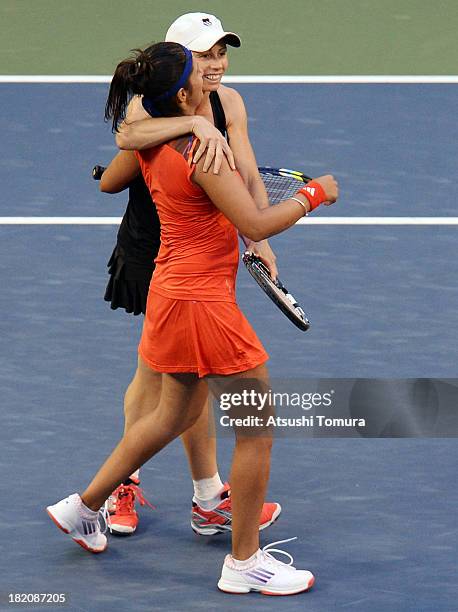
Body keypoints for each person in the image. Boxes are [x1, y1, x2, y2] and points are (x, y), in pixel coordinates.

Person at [47, 41, 338, 595]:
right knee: (256, 432)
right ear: (182, 93)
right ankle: (244, 562)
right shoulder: (204, 152)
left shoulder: (154, 138)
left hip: (168, 296)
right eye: (197, 70)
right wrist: (314, 193)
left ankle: (83, 506)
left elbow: (116, 168)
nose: (213, 72)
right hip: (205, 306)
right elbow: (257, 221)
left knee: (169, 415)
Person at [100, 13, 281, 536]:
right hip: (153, 244)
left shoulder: (229, 102)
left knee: (188, 378)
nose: (217, 63)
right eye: (204, 55)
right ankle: (121, 487)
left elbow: (246, 171)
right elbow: (126, 140)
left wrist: (258, 235)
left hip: (203, 247)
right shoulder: (149, 100)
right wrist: (192, 122)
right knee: (153, 375)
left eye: (222, 52)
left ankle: (206, 497)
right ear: (176, 61)